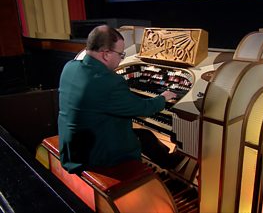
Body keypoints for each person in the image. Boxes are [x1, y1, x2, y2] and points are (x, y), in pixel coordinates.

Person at [58, 25, 181, 173]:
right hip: (95, 156)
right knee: (142, 137)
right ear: (106, 54)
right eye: (121, 55)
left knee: (145, 135)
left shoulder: (69, 67)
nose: (121, 59)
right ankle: (168, 166)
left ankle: (166, 163)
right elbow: (143, 109)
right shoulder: (108, 81)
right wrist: (163, 97)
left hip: (73, 147)